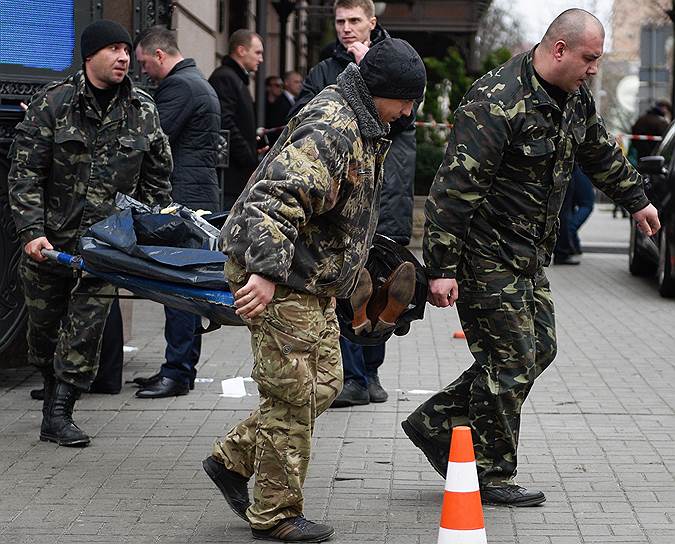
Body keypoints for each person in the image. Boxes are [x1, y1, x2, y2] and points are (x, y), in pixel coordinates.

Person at [402, 8, 660, 507]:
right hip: (483, 252)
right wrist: (441, 268)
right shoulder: (497, 99)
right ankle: (490, 472)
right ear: (558, 49)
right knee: (511, 359)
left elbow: (600, 152)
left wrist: (637, 200)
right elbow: (454, 190)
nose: (593, 69)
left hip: (528, 252)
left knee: (540, 349)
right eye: (588, 59)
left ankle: (435, 421)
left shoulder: (572, 99)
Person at [201, 38, 426, 542]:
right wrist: (265, 272)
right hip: (279, 272)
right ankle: (275, 514)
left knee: (324, 382)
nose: (409, 111)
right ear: (381, 91)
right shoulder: (332, 126)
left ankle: (232, 460)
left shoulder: (365, 122)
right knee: (292, 394)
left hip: (310, 277)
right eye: (406, 100)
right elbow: (272, 199)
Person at [8, 19, 173, 447]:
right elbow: (24, 172)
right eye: (114, 49)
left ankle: (60, 412)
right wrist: (31, 230)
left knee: (84, 331)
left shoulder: (142, 109)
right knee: (44, 332)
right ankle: (51, 394)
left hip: (105, 247)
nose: (123, 57)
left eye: (126, 49)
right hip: (50, 244)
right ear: (90, 56)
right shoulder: (54, 102)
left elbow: (157, 181)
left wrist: (145, 235)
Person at [289, 0, 418, 407]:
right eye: (340, 22)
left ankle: (372, 369)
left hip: (382, 198)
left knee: (379, 282)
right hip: (339, 204)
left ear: (372, 23)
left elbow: (405, 121)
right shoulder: (325, 70)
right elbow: (304, 120)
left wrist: (371, 74)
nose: (346, 29)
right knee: (345, 285)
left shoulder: (399, 61)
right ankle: (353, 376)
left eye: (354, 21)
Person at [132, 26, 221, 398]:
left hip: (185, 198)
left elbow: (153, 138)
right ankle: (177, 369)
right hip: (196, 195)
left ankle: (178, 372)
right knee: (183, 286)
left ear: (160, 56)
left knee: (179, 287)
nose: (142, 72)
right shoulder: (195, 81)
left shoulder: (180, 87)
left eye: (143, 64)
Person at [208, 29, 264, 210]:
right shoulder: (225, 77)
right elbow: (226, 122)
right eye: (257, 52)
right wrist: (248, 156)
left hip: (236, 175)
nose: (261, 59)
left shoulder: (236, 78)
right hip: (229, 177)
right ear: (241, 50)